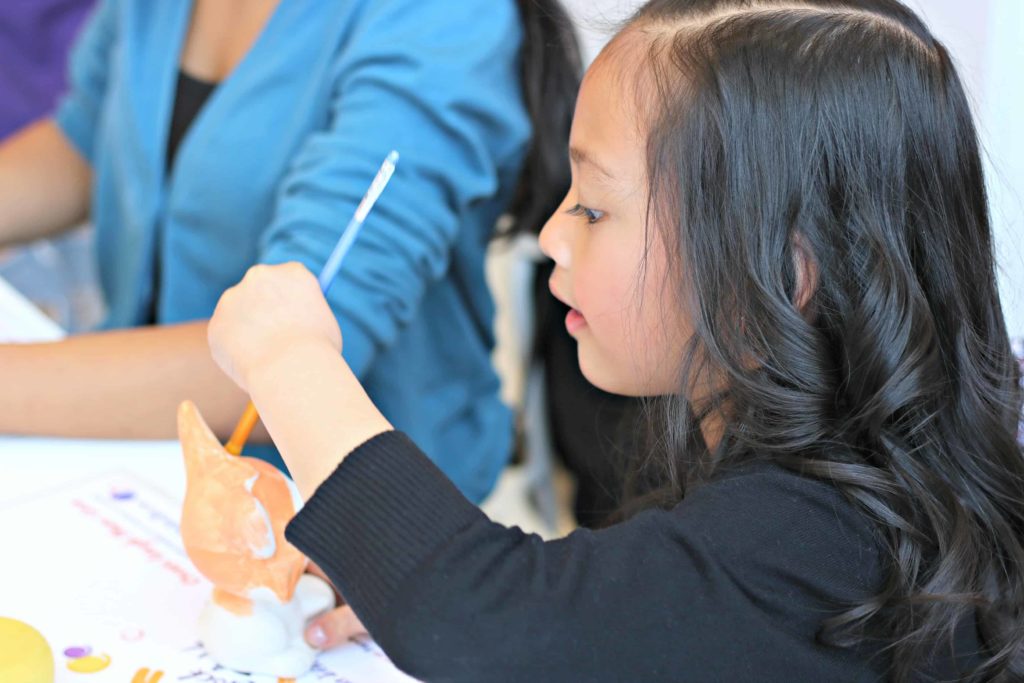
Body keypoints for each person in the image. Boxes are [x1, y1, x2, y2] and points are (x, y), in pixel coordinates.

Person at [209, 0, 1024, 680]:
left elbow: (473, 621)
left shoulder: (823, 536)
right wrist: (397, 564)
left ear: (781, 273)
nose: (554, 236)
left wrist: (290, 359)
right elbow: (595, 605)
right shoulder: (858, 460)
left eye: (594, 209)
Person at [0, 0, 578, 501]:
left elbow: (286, 360)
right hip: (142, 449)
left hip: (341, 523)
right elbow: (83, 140)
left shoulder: (445, 22)